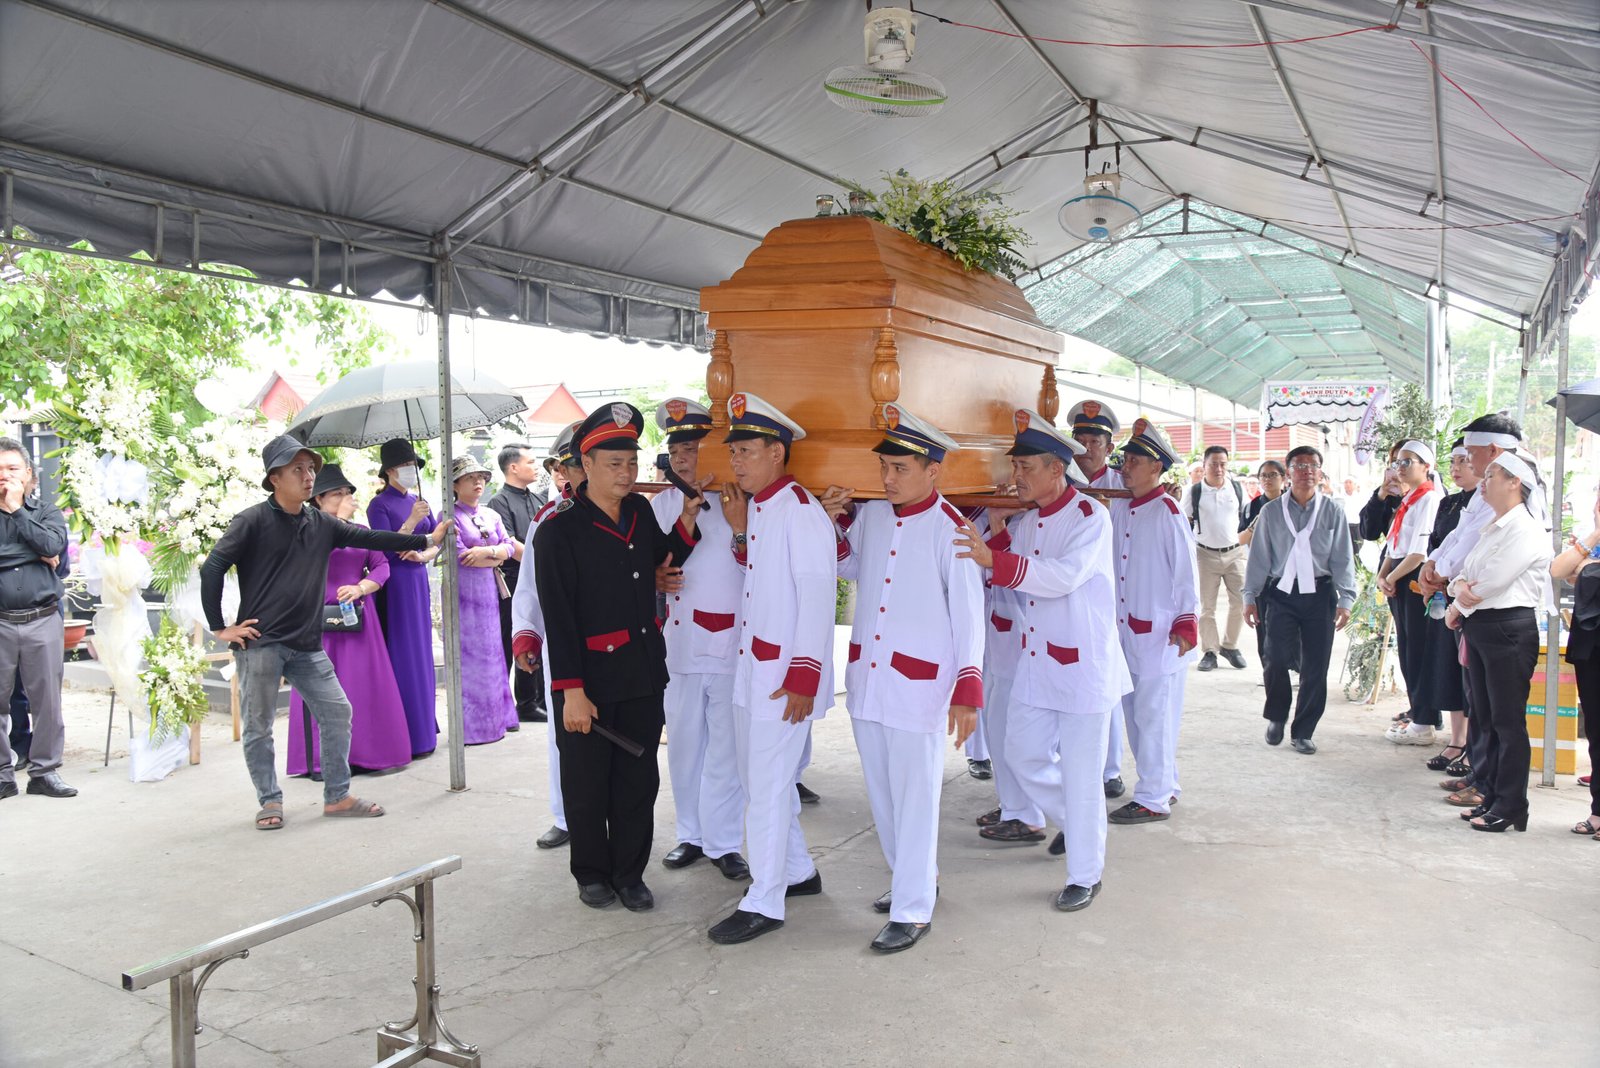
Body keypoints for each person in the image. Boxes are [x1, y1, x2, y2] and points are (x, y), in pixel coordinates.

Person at [200, 434, 452, 829]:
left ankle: (337, 796)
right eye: (297, 470)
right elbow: (213, 567)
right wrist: (220, 627)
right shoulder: (252, 520)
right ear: (274, 478)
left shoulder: (320, 522)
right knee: (258, 726)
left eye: (310, 469)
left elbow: (370, 538)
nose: (307, 476)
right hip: (262, 643)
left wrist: (425, 539)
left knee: (337, 712)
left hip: (306, 643)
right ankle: (269, 800)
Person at [955, 409, 1131, 913]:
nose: (1018, 476)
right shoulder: (1028, 521)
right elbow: (1010, 573)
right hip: (1036, 665)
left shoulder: (1090, 516)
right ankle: (1080, 824)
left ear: (1057, 469)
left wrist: (996, 559)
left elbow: (1061, 576)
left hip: (1082, 669)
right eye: (1016, 467)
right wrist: (996, 535)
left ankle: (1085, 873)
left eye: (1026, 467)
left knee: (1081, 774)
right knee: (1022, 754)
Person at [534, 403, 706, 912]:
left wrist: (688, 521)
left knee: (637, 781)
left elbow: (659, 560)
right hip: (588, 678)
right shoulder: (558, 530)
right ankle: (591, 872)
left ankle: (630, 874)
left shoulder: (638, 512)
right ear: (585, 464)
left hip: (641, 670)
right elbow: (558, 617)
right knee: (587, 783)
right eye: (614, 464)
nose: (626, 473)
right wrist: (571, 691)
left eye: (631, 463)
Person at [825, 404, 984, 952]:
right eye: (884, 467)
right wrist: (836, 526)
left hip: (920, 686)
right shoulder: (873, 514)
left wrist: (967, 687)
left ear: (932, 470)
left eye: (900, 469)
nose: (888, 478)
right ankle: (913, 880)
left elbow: (969, 615)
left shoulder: (952, 530)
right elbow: (851, 566)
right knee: (883, 795)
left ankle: (913, 909)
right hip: (869, 678)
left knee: (916, 798)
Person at [707, 393, 834, 945]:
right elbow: (759, 574)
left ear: (777, 452)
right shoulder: (762, 506)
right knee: (761, 781)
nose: (736, 462)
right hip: (754, 669)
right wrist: (739, 529)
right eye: (733, 452)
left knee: (765, 786)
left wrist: (805, 676)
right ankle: (797, 871)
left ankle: (765, 899)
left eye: (747, 451)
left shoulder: (801, 510)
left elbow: (817, 596)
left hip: (784, 679)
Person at [648, 398, 750, 881]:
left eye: (691, 449)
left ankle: (724, 841)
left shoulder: (741, 499)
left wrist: (739, 528)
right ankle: (690, 834)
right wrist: (655, 578)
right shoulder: (660, 504)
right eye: (675, 451)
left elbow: (761, 562)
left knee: (726, 750)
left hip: (732, 643)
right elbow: (645, 566)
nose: (683, 460)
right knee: (685, 745)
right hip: (680, 646)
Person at [1418, 414, 1525, 808]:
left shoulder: (1518, 495)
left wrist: (1451, 588)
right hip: (1476, 612)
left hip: (1503, 616)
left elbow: (1486, 565)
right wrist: (1435, 564)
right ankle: (1481, 776)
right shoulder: (1486, 490)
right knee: (1479, 703)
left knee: (1500, 714)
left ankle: (1498, 792)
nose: (1467, 461)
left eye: (1472, 453)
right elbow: (1460, 536)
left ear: (1494, 451)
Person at [1446, 451, 1551, 832]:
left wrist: (1457, 603)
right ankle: (1491, 794)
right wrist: (1459, 591)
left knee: (1507, 721)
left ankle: (1511, 805)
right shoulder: (1495, 526)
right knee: (1486, 717)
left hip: (1507, 629)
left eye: (1491, 475)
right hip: (1482, 625)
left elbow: (1490, 581)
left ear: (1514, 483)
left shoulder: (1525, 529)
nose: (1483, 481)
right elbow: (1463, 575)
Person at [286, 463, 412, 778]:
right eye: (337, 494)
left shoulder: (361, 532)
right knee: (319, 688)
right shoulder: (304, 530)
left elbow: (381, 566)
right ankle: (321, 761)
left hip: (358, 620)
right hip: (317, 619)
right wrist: (338, 523)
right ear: (318, 499)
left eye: (347, 492)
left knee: (362, 684)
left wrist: (361, 587)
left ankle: (366, 753)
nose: (345, 498)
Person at [1106, 419, 1198, 824]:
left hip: (1160, 634)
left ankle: (1153, 797)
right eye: (1125, 460)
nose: (1125, 467)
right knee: (1136, 713)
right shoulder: (1122, 507)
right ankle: (1165, 784)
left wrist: (1186, 620)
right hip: (1127, 630)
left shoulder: (1168, 511)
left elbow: (1186, 572)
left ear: (1156, 467)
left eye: (1134, 461)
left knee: (1154, 716)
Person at [1242, 446, 1357, 754]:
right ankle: (1277, 715)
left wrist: (1346, 599)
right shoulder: (1271, 512)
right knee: (1275, 657)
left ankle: (1304, 730)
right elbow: (1259, 557)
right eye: (1300, 466)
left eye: (1313, 466)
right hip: (1281, 594)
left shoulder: (1333, 511)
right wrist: (1249, 595)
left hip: (1320, 594)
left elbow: (1343, 558)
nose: (1307, 472)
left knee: (1315, 666)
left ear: (1320, 473)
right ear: (1288, 473)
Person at [511, 422, 584, 851]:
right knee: (564, 734)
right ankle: (565, 815)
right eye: (571, 465)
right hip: (564, 644)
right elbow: (529, 586)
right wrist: (527, 634)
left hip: (619, 646)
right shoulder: (547, 518)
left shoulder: (628, 510)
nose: (577, 473)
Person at [0, 436, 75, 800]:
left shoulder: (46, 512)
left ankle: (44, 772)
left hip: (41, 619)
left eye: (12, 468)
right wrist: (32, 553)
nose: (5, 476)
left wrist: (17, 511)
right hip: (1, 621)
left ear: (28, 474)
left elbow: (52, 545)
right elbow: (42, 550)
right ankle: (3, 774)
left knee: (47, 702)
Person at [1067, 399, 1130, 798]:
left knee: (1109, 686)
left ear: (1110, 447)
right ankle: (1074, 767)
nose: (1087, 448)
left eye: (1095, 441)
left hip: (1117, 596)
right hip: (1071, 598)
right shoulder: (1060, 481)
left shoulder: (1127, 486)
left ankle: (1110, 770)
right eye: (1081, 440)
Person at [367, 438, 442, 758]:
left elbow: (437, 539)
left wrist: (425, 555)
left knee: (423, 652)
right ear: (389, 471)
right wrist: (411, 521)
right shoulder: (379, 505)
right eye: (405, 466)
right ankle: (405, 733)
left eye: (413, 465)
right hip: (395, 584)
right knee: (404, 653)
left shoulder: (419, 500)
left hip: (418, 578)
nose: (411, 470)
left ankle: (425, 727)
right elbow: (383, 548)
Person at [451, 454, 520, 745]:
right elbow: (461, 556)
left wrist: (486, 553)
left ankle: (500, 718)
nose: (477, 482)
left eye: (480, 477)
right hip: (464, 594)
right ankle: (474, 727)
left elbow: (508, 547)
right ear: (455, 485)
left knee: (494, 651)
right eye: (470, 478)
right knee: (470, 658)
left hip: (489, 592)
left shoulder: (492, 515)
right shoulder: (450, 515)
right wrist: (495, 555)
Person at [1376, 441, 1442, 746]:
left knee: (1418, 650)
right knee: (1406, 649)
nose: (1399, 468)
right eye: (1397, 463)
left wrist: (1391, 576)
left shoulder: (1429, 498)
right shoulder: (1409, 499)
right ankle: (1418, 714)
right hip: (1397, 576)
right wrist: (1383, 575)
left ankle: (1424, 720)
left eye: (1407, 462)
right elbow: (1394, 545)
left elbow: (1418, 552)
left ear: (1426, 467)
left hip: (1413, 577)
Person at [1418, 443, 1477, 774]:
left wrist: (1443, 576)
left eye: (1463, 461)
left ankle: (1472, 744)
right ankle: (1456, 739)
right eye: (1452, 462)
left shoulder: (1488, 503)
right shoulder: (1449, 502)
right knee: (1448, 666)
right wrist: (1431, 574)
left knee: (1470, 671)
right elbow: (1438, 543)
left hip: (1469, 595)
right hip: (1443, 595)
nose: (1456, 468)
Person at [1550, 483, 1600, 841]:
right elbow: (1559, 570)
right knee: (1595, 729)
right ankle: (1598, 811)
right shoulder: (1592, 536)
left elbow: (1584, 576)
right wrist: (1594, 536)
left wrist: (1587, 570)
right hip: (1591, 646)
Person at [487, 441, 548, 723]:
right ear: (513, 467)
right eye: (530, 462)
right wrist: (542, 560)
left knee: (536, 634)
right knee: (512, 639)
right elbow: (509, 542)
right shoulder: (499, 502)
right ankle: (513, 703)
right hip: (512, 580)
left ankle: (532, 700)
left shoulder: (536, 500)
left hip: (537, 576)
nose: (536, 467)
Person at [1184, 445, 1248, 672]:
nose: (1218, 469)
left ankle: (1229, 646)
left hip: (1235, 553)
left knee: (1241, 601)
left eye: (1222, 464)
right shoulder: (1194, 492)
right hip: (1205, 554)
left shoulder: (1237, 489)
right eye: (1213, 464)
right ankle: (1210, 651)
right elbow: (1184, 522)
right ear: (1204, 465)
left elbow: (1247, 519)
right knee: (1206, 606)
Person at [1240, 460, 1296, 679]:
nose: (1267, 480)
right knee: (1264, 626)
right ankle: (1270, 671)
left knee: (1292, 626)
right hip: (1263, 574)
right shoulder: (1253, 506)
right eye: (1263, 475)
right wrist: (1256, 523)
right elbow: (1241, 539)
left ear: (1284, 478)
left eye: (1273, 475)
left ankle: (1295, 667)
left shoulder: (1294, 502)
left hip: (1290, 573)